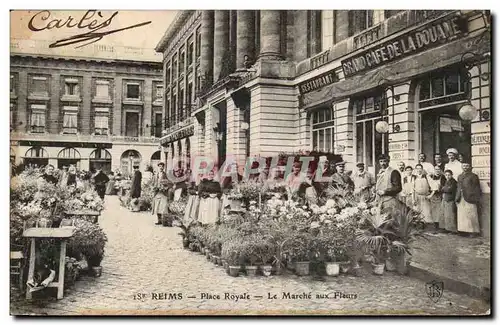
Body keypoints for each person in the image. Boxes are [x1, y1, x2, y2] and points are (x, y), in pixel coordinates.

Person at [456, 162, 481, 236]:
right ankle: (463, 231)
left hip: (470, 198)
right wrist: (457, 197)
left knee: (471, 214)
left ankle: (473, 232)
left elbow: (477, 188)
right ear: (461, 166)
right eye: (464, 166)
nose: (465, 167)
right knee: (462, 215)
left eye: (467, 166)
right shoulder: (460, 176)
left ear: (470, 167)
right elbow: (458, 187)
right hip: (461, 197)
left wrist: (475, 197)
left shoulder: (473, 176)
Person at [412, 164, 433, 230]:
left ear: (422, 169)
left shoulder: (426, 177)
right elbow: (412, 189)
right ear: (415, 169)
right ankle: (418, 228)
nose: (419, 170)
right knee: (417, 212)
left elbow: (434, 186)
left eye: (420, 168)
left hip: (425, 197)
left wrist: (431, 195)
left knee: (426, 212)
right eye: (417, 168)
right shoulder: (414, 177)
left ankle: (426, 228)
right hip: (417, 197)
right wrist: (413, 199)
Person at [428, 165, 446, 232]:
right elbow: (429, 185)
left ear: (440, 170)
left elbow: (444, 186)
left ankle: (440, 226)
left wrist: (439, 188)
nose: (437, 170)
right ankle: (435, 225)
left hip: (439, 195)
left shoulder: (443, 177)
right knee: (434, 210)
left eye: (438, 169)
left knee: (440, 210)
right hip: (433, 196)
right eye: (436, 169)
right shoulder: (431, 177)